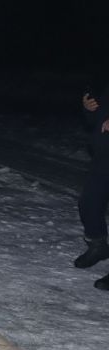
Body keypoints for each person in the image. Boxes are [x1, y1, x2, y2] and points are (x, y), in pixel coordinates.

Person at [75, 86, 109, 290]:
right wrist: (89, 109)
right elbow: (96, 121)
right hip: (103, 158)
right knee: (89, 203)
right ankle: (98, 245)